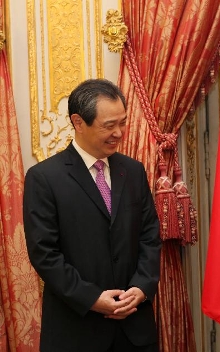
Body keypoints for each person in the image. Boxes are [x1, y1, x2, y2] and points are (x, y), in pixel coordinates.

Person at [23, 78, 162, 352]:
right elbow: (45, 254)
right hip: (76, 331)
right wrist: (93, 298)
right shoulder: (44, 178)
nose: (119, 133)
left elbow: (150, 236)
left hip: (134, 330)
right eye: (109, 125)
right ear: (78, 122)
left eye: (122, 122)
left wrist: (142, 287)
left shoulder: (133, 171)